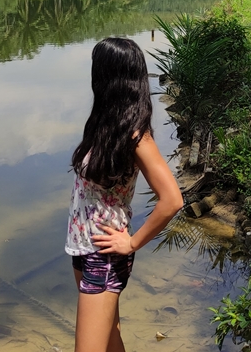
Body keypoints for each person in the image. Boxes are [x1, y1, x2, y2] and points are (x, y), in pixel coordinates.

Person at [66, 37, 184, 352]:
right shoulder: (104, 125)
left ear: (108, 78)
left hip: (104, 254)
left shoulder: (136, 136)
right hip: (85, 248)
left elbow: (172, 199)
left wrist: (131, 243)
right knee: (110, 339)